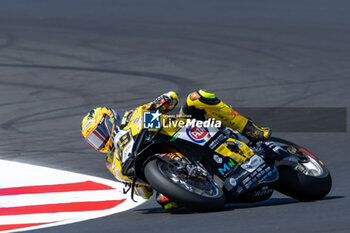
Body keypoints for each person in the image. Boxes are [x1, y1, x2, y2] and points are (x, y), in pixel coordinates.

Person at [81, 90, 271, 209]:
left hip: (186, 130)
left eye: (100, 133)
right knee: (166, 201)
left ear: (109, 120)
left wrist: (160, 102)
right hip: (173, 170)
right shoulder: (112, 163)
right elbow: (144, 193)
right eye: (94, 140)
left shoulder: (132, 116)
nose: (101, 141)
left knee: (198, 98)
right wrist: (141, 187)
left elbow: (171, 98)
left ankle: (252, 131)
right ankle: (206, 186)